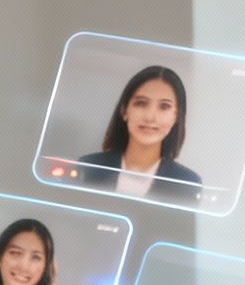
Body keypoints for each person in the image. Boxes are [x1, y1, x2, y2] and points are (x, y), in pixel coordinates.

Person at [73, 66, 203, 203]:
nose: (150, 117)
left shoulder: (187, 184)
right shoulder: (88, 167)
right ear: (124, 111)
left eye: (164, 107)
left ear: (176, 117)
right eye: (141, 103)